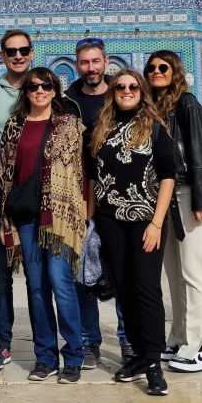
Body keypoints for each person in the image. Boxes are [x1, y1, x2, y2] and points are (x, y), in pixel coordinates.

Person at [0, 66, 88, 383]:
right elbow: (4, 172)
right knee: (36, 289)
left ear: (54, 90)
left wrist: (84, 211)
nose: (39, 91)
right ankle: (45, 357)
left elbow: (81, 171)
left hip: (60, 217)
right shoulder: (15, 125)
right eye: (33, 86)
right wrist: (4, 217)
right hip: (25, 217)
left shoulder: (69, 125)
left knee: (61, 284)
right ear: (25, 92)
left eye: (46, 86)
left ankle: (74, 355)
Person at [90, 68, 178, 396]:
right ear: (112, 92)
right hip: (110, 221)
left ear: (141, 92)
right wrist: (91, 220)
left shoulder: (155, 127)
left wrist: (157, 223)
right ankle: (140, 356)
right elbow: (92, 177)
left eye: (133, 87)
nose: (126, 91)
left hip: (145, 221)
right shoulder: (101, 129)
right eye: (120, 87)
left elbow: (168, 177)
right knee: (124, 289)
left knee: (146, 289)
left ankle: (153, 363)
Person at [145, 50, 202, 375]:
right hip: (166, 195)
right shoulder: (156, 108)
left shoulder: (187, 104)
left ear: (175, 71)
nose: (156, 72)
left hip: (187, 192)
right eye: (151, 68)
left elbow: (200, 150)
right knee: (174, 273)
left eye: (163, 67)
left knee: (192, 272)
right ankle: (178, 337)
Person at [65, 37, 132, 368]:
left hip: (119, 196)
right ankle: (90, 341)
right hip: (80, 196)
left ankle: (128, 339)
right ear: (76, 65)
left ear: (106, 62)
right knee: (83, 273)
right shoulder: (68, 101)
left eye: (95, 61)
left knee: (123, 271)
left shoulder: (121, 94)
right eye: (84, 62)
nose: (90, 68)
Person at [0, 29, 34, 370]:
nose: (17, 56)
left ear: (31, 52)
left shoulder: (42, 87)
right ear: (1, 55)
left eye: (23, 50)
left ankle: (45, 344)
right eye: (11, 51)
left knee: (39, 273)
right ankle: (1, 342)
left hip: (34, 194)